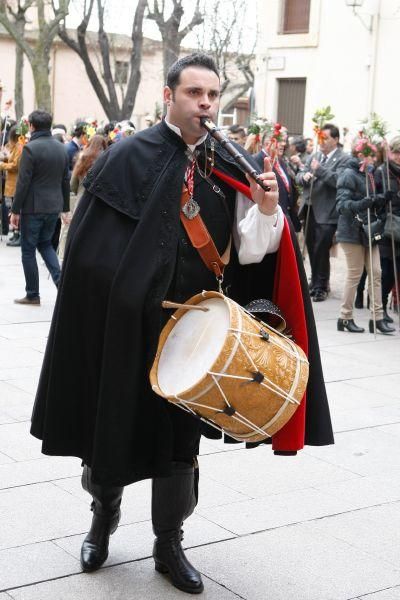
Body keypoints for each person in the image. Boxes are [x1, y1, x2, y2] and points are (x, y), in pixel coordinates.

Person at [30, 53, 333, 594]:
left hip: (193, 338)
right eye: (194, 93)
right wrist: (118, 298)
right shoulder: (125, 156)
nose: (206, 104)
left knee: (179, 443)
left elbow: (253, 252)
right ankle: (103, 519)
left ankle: (169, 544)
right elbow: (87, 250)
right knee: (114, 425)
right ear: (169, 96)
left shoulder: (231, 164)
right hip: (124, 332)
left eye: (213, 95)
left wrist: (267, 209)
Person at [10, 110, 70, 306]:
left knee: (28, 249)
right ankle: (61, 284)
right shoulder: (61, 148)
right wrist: (65, 208)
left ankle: (33, 294)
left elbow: (23, 182)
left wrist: (15, 210)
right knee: (45, 244)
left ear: (32, 126)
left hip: (33, 207)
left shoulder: (30, 148)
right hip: (54, 205)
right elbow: (65, 180)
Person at [336, 142, 395, 334]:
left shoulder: (369, 173)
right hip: (352, 230)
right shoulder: (348, 174)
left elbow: (371, 201)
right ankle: (345, 318)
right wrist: (362, 203)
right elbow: (342, 205)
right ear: (361, 154)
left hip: (369, 229)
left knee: (376, 272)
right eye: (370, 155)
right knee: (354, 274)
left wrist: (380, 200)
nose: (373, 159)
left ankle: (376, 318)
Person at [297, 124, 349, 301]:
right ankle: (315, 280)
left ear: (335, 140)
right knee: (311, 246)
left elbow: (339, 181)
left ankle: (322, 285)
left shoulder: (343, 158)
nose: (322, 141)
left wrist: (319, 170)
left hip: (328, 211)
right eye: (320, 138)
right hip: (310, 208)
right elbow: (300, 174)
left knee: (321, 247)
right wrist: (303, 177)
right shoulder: (315, 155)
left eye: (325, 138)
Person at [58, 134, 107, 261]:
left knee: (73, 227)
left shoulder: (83, 157)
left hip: (82, 197)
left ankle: (65, 257)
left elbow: (73, 183)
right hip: (101, 200)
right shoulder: (107, 158)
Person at [254, 129, 301, 232]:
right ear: (267, 142)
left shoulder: (280, 161)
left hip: (285, 218)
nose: (284, 144)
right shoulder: (255, 161)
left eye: (285, 141)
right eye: (280, 141)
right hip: (268, 222)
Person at [374, 136, 400, 322]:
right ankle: (380, 308)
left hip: (399, 227)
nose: (398, 156)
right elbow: (376, 197)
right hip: (386, 227)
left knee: (395, 271)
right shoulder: (382, 171)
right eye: (396, 152)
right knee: (386, 271)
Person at [0, 125, 23, 246]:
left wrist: (1, 165)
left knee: (16, 210)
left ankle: (18, 233)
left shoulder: (19, 147)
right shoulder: (14, 147)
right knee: (11, 209)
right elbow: (10, 159)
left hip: (15, 183)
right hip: (11, 183)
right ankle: (15, 233)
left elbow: (15, 165)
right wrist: (4, 158)